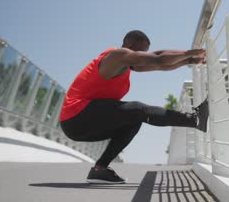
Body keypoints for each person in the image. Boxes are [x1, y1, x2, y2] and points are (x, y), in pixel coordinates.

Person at [59, 30, 209, 184]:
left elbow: (159, 61)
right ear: (129, 45)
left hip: (83, 123)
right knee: (137, 109)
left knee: (133, 119)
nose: (143, 55)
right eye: (141, 51)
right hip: (76, 118)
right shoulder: (118, 56)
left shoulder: (127, 64)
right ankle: (194, 120)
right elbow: (158, 59)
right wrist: (188, 53)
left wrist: (189, 60)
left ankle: (100, 169)